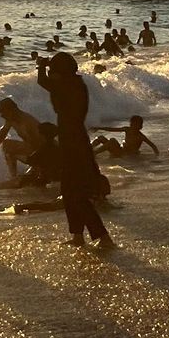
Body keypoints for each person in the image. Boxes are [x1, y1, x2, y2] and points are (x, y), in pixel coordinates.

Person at [38, 54, 112, 249]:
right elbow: (47, 82)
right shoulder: (74, 83)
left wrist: (41, 67)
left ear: (60, 72)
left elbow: (42, 81)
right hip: (74, 139)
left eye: (54, 70)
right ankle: (78, 235)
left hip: (73, 143)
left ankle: (102, 236)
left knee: (75, 193)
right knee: (69, 192)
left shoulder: (67, 86)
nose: (51, 73)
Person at [0, 97, 44, 179]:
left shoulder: (26, 121)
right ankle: (14, 177)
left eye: (3, 112)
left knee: (8, 145)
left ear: (11, 111)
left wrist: (37, 166)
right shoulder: (11, 120)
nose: (2, 115)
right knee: (7, 146)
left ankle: (35, 170)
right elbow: (3, 133)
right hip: (33, 151)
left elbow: (41, 143)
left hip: (44, 153)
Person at [93, 114, 158, 158]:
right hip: (119, 150)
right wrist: (99, 128)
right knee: (101, 138)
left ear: (140, 126)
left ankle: (94, 153)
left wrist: (156, 157)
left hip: (124, 154)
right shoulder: (127, 129)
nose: (133, 127)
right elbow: (112, 129)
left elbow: (153, 146)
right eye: (132, 124)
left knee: (112, 140)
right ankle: (89, 149)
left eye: (136, 125)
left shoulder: (140, 136)